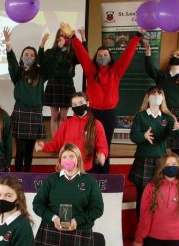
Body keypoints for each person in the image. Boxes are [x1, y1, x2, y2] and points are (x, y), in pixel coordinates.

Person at [61, 22, 143, 174]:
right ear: (96, 57)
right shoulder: (91, 71)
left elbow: (127, 55)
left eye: (105, 55)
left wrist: (137, 36)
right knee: (90, 145)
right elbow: (82, 55)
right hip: (92, 114)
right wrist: (73, 37)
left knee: (105, 147)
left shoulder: (116, 71)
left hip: (109, 114)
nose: (102, 57)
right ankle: (91, 173)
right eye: (100, 55)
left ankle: (104, 176)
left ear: (110, 57)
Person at [4, 27, 59, 172]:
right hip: (21, 113)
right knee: (20, 149)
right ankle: (17, 175)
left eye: (32, 55)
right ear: (21, 57)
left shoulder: (41, 74)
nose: (28, 56)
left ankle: (26, 174)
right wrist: (8, 45)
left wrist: (58, 48)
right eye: (26, 54)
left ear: (35, 59)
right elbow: (11, 62)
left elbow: (52, 65)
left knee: (29, 151)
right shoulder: (17, 73)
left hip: (35, 114)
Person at [128, 86, 179, 220]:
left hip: (160, 160)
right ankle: (141, 223)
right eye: (153, 94)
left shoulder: (168, 118)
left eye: (159, 94)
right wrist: (143, 135)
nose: (156, 96)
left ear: (163, 98)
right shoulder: (140, 116)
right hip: (144, 159)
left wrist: (176, 129)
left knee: (159, 193)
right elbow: (133, 136)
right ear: (148, 97)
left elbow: (173, 137)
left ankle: (156, 222)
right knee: (143, 194)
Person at [143, 38, 179, 157]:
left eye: (178, 55)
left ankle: (176, 169)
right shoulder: (161, 75)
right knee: (160, 142)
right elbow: (150, 70)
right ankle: (159, 168)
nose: (175, 56)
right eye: (173, 55)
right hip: (162, 111)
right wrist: (147, 52)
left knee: (176, 146)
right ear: (169, 59)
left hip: (178, 113)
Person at [36, 92, 108, 173]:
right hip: (67, 168)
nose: (78, 106)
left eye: (80, 103)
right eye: (74, 104)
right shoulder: (66, 124)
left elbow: (102, 145)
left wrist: (102, 154)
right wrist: (43, 147)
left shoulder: (97, 124)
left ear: (87, 103)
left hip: (86, 169)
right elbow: (56, 144)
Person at [41, 28, 80, 136]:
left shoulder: (72, 53)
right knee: (54, 116)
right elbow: (42, 62)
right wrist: (43, 43)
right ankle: (55, 143)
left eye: (65, 36)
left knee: (63, 117)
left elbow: (83, 57)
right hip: (53, 84)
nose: (63, 38)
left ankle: (61, 142)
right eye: (61, 35)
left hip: (67, 85)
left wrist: (84, 40)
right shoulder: (50, 52)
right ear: (57, 37)